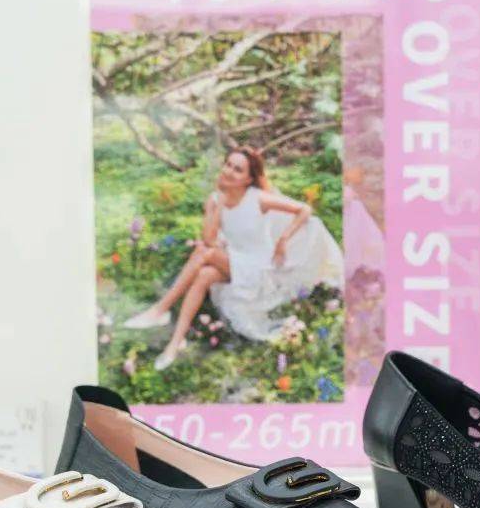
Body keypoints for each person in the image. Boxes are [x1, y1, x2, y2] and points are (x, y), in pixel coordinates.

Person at [123, 146, 343, 370]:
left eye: (238, 170)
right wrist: (219, 203)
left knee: (204, 253)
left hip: (259, 270)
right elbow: (209, 239)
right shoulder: (214, 200)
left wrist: (283, 239)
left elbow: (304, 210)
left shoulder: (258, 199)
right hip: (236, 263)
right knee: (205, 274)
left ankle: (160, 309)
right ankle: (174, 343)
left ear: (248, 179)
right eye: (228, 165)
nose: (229, 171)